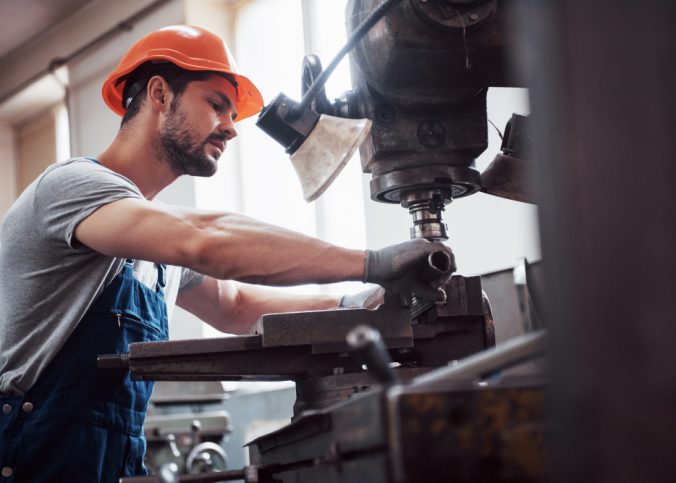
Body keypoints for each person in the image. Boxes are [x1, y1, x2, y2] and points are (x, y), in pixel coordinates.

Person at [0, 25, 454, 482]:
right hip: (28, 457)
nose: (232, 128)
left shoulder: (150, 234)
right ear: (159, 94)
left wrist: (356, 304)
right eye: (217, 105)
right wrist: (373, 263)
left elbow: (234, 306)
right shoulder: (73, 187)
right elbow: (205, 240)